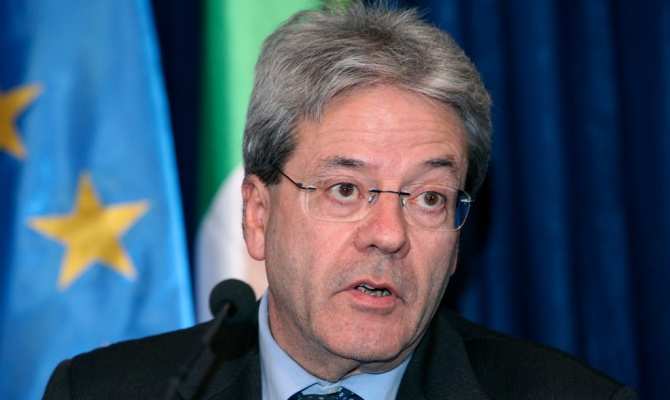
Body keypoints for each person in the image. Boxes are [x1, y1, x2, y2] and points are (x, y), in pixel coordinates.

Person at [44, 2, 638, 399]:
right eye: (346, 190)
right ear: (257, 214)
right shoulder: (102, 392)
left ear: (458, 243)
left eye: (429, 198)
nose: (389, 234)